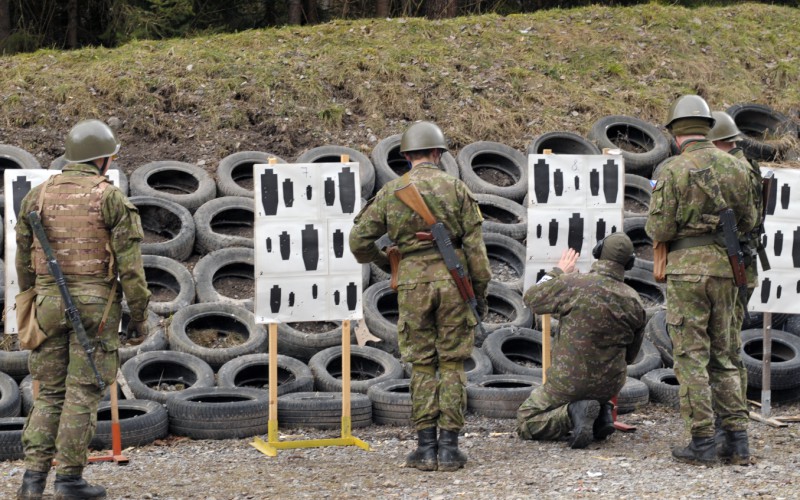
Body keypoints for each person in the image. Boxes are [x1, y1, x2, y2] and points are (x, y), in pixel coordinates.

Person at [15, 119, 151, 499]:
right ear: (104, 160)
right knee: (81, 392)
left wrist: (31, 301)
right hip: (96, 307)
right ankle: (69, 480)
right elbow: (131, 268)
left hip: (46, 304)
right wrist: (137, 315)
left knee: (49, 393)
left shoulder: (37, 196)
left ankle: (32, 480)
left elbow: (23, 261)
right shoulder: (110, 198)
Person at [349, 121, 491, 472]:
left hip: (411, 285)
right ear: (437, 153)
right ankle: (450, 449)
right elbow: (476, 253)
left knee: (424, 365)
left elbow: (358, 243)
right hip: (453, 284)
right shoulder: (456, 188)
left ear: (407, 155)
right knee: (454, 364)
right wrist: (479, 292)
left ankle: (425, 449)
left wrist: (391, 259)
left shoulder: (391, 191)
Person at [646, 95, 757, 466]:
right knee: (725, 355)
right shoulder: (738, 167)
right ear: (709, 129)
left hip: (686, 272)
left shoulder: (673, 170)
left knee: (691, 356)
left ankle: (703, 442)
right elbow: (749, 223)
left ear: (676, 133)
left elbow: (659, 227)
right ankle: (737, 441)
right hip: (728, 268)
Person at [516, 234, 646, 449]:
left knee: (527, 420)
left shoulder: (573, 284)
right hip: (610, 386)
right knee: (596, 386)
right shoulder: (634, 300)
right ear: (629, 263)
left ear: (598, 253)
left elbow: (532, 298)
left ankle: (572, 413)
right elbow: (631, 356)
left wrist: (558, 273)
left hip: (568, 383)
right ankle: (602, 414)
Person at [707, 110, 764, 461]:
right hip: (741, 265)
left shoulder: (736, 170)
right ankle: (732, 426)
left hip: (735, 265)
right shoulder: (746, 166)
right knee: (728, 351)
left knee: (724, 352)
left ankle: (730, 427)